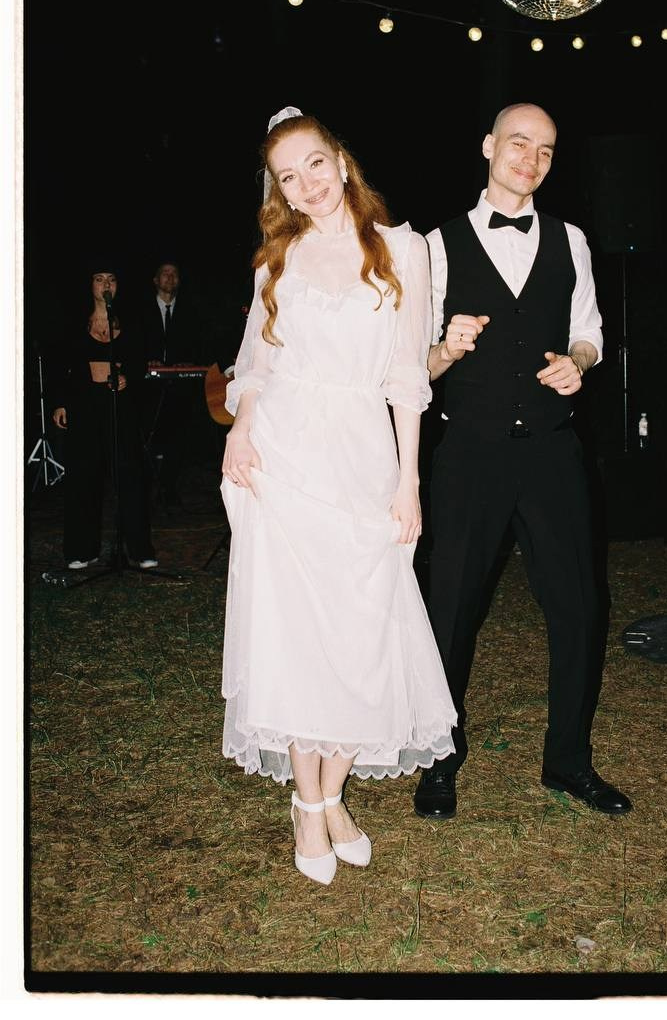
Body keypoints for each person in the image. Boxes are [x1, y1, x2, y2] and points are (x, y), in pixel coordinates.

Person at [220, 106, 456, 886]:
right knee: (297, 634)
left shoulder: (405, 250)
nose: (307, 185)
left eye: (314, 164)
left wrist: (408, 481)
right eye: (288, 177)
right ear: (278, 190)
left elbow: (407, 378)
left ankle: (329, 794)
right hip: (282, 455)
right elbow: (258, 363)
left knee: (367, 629)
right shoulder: (278, 258)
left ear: (342, 161)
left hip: (362, 456)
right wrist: (240, 431)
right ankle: (311, 805)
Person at [413, 103, 631, 820]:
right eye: (518, 143)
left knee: (580, 608)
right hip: (468, 452)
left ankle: (568, 760)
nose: (531, 159)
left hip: (551, 451)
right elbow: (414, 367)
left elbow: (589, 331)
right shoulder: (435, 246)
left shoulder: (572, 239)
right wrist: (446, 348)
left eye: (545, 149)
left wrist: (578, 362)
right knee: (450, 611)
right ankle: (439, 760)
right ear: (487, 146)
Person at [50, 264, 157, 570]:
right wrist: (60, 403)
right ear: (90, 285)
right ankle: (82, 549)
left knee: (130, 476)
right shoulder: (75, 323)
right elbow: (60, 365)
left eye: (111, 279)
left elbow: (139, 362)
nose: (105, 284)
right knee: (83, 477)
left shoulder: (131, 322)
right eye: (99, 279)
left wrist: (127, 377)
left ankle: (139, 550)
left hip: (118, 405)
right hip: (85, 405)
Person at [141, 260, 212, 507]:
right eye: (165, 274)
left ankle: (169, 490)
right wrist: (147, 361)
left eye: (174, 274)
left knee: (177, 439)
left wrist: (187, 362)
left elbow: (199, 344)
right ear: (155, 280)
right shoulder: (142, 311)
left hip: (180, 387)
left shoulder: (190, 312)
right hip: (148, 387)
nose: (170, 278)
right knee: (148, 437)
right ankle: (145, 492)